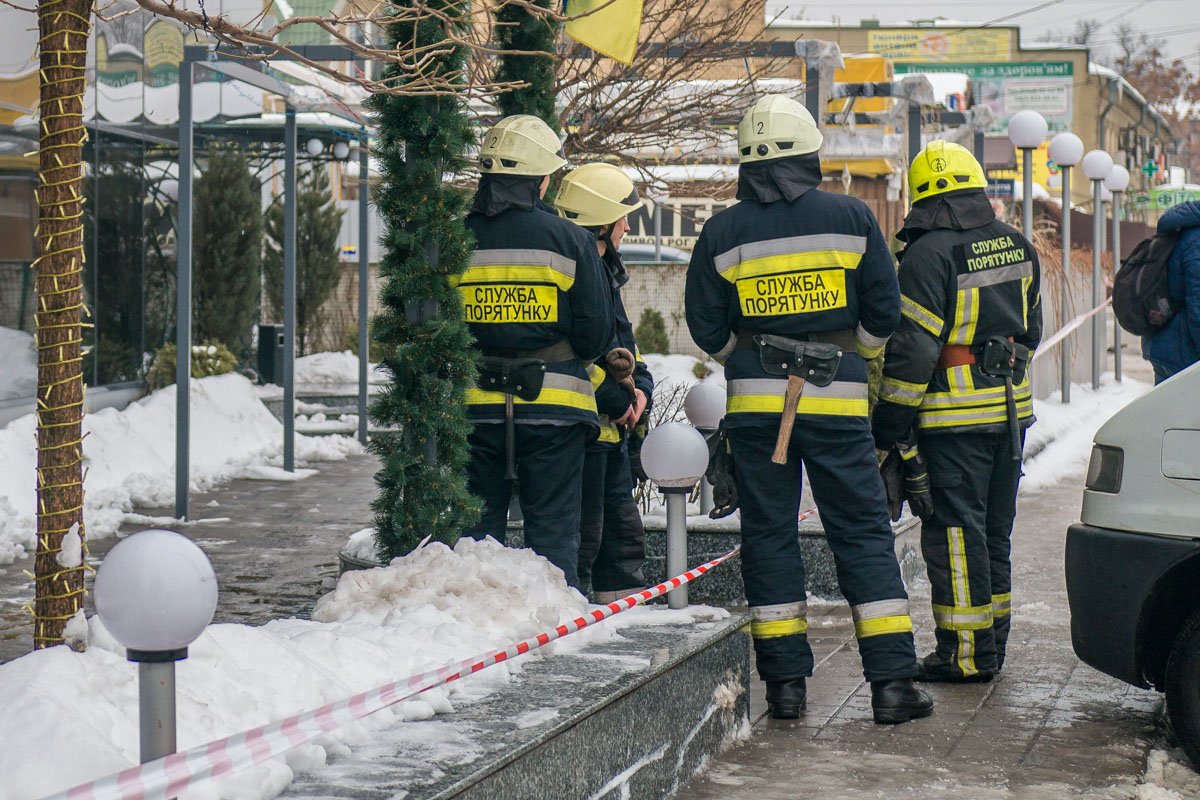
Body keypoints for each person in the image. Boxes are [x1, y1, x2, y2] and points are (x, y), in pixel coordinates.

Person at [685, 94, 932, 724]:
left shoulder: (721, 231)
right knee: (861, 530)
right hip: (837, 404)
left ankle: (786, 690)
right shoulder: (851, 216)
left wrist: (748, 352)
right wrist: (855, 354)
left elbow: (706, 328)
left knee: (768, 535)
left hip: (755, 411)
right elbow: (884, 309)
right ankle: (893, 686)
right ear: (810, 155)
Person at [872, 140, 1042, 683]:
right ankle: (993, 644)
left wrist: (889, 426)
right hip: (1011, 415)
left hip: (953, 421)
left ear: (920, 195)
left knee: (954, 534)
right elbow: (1030, 333)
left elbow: (913, 352)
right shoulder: (1017, 244)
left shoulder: (926, 255)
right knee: (994, 534)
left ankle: (965, 656)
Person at [457, 115, 614, 590]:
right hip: (554, 411)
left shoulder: (453, 239)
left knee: (475, 534)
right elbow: (596, 334)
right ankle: (554, 631)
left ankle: (472, 627)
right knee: (553, 532)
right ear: (541, 181)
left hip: (474, 409)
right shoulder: (572, 240)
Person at [553, 163, 655, 602]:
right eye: (622, 217)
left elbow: (621, 342)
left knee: (622, 541)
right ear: (599, 222)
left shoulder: (606, 270)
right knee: (585, 538)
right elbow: (576, 354)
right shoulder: (576, 271)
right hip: (587, 432)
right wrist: (618, 397)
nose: (628, 225)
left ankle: (623, 619)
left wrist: (642, 386)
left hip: (613, 432)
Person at [1144, 200, 1200, 384]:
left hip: (1166, 345)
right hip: (1185, 357)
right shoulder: (1196, 241)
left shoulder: (1182, 230)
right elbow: (1197, 307)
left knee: (1169, 412)